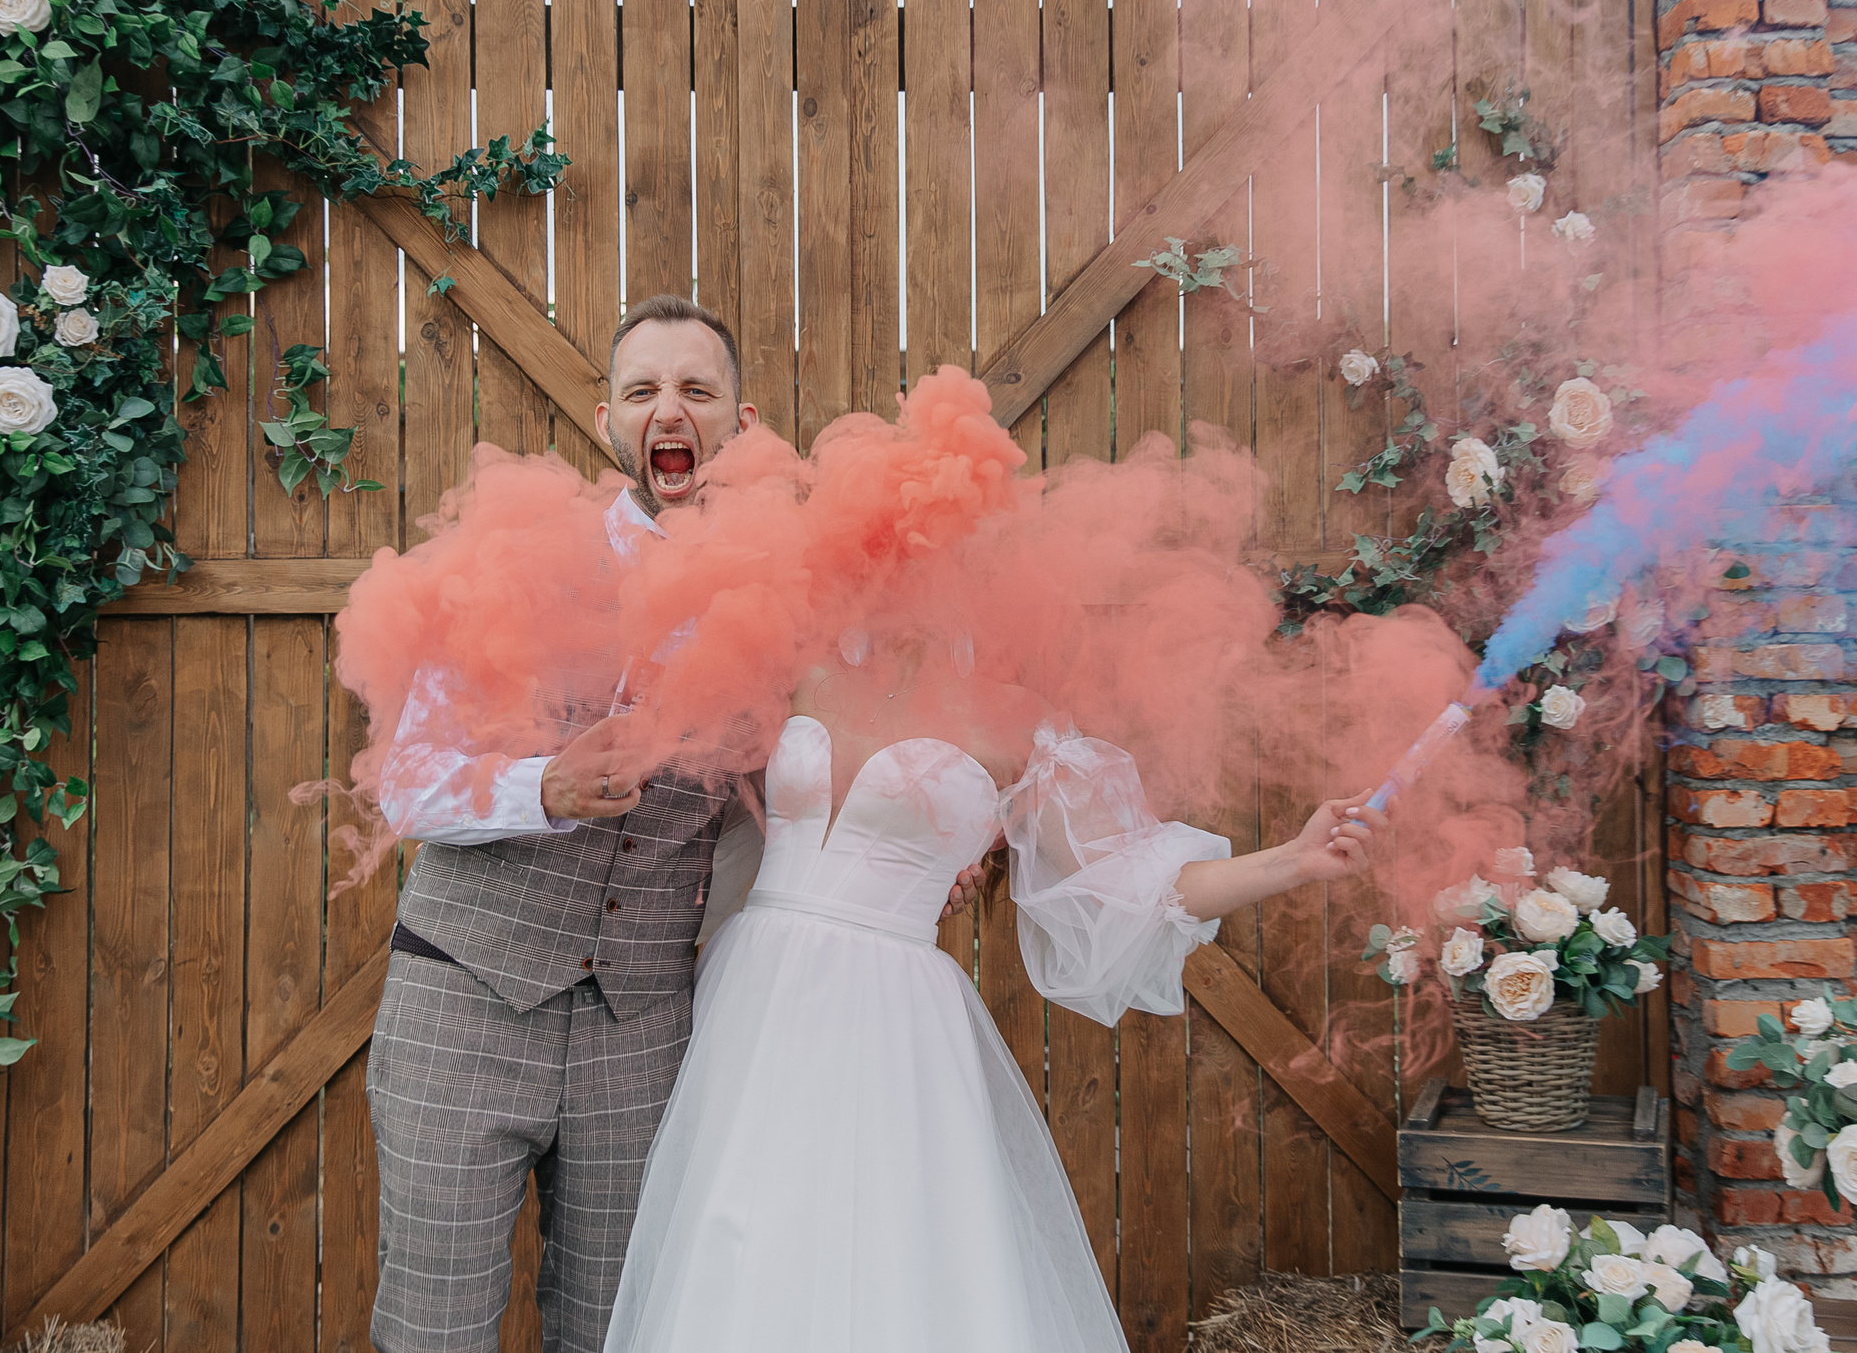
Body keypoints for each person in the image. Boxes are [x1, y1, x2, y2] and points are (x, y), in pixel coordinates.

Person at [359, 295, 981, 1353]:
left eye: (695, 389)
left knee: (622, 1328)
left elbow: (777, 804)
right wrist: (541, 787)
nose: (668, 409)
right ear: (608, 419)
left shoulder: (787, 609)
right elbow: (405, 782)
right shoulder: (512, 563)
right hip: (462, 1006)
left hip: (642, 1031)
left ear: (741, 424)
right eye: (644, 390)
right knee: (434, 1329)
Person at [601, 627, 1383, 1353]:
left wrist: (1291, 862)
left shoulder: (1016, 720)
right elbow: (718, 817)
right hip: (757, 994)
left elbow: (1127, 876)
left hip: (890, 1013)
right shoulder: (790, 664)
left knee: (888, 1253)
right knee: (740, 1238)